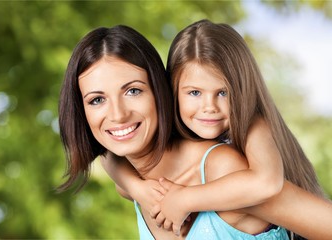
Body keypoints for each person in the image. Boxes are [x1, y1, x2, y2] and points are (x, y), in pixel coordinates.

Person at [58, 24, 332, 239]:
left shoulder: (223, 171)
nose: (117, 115)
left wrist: (185, 198)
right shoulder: (135, 183)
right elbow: (109, 158)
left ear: (160, 89)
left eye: (133, 91)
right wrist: (140, 189)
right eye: (97, 99)